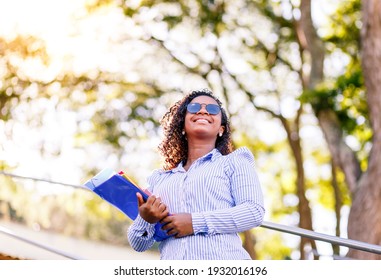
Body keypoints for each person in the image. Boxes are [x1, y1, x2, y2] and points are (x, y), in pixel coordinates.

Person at [127, 88, 265, 260]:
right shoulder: (160, 180)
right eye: (194, 108)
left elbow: (253, 212)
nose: (203, 110)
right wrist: (146, 219)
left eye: (213, 109)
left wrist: (194, 222)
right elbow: (138, 244)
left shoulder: (234, 162)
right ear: (182, 126)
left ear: (221, 129)